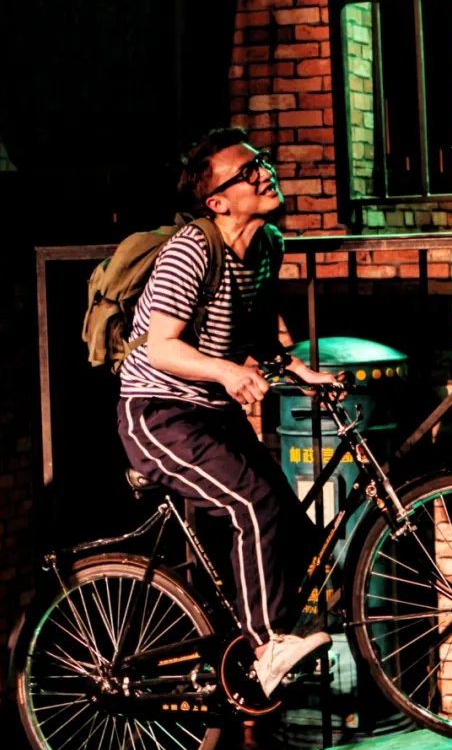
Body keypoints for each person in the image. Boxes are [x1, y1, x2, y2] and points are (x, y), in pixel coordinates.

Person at [117, 127, 337, 697]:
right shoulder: (191, 250)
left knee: (290, 522)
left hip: (210, 413)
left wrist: (298, 370)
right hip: (159, 412)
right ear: (217, 202)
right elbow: (162, 348)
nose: (265, 173)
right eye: (248, 172)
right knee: (252, 503)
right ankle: (266, 647)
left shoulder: (266, 247)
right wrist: (227, 372)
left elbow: (257, 334)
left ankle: (256, 643)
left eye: (262, 162)